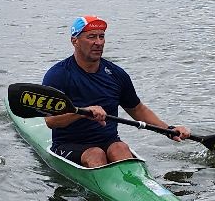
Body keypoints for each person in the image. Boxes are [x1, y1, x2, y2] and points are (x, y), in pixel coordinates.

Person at [42, 16, 188, 168]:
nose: (98, 42)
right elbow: (51, 121)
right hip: (68, 145)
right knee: (95, 154)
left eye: (101, 37)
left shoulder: (116, 74)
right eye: (91, 37)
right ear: (75, 41)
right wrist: (83, 112)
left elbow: (137, 109)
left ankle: (136, 187)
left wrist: (168, 130)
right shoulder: (58, 75)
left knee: (121, 148)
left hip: (109, 142)